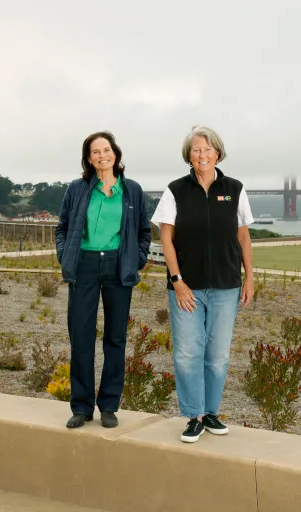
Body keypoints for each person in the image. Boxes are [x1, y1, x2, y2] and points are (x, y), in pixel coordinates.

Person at [151, 125, 254, 443]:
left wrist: (249, 277)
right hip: (187, 287)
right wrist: (177, 281)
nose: (202, 154)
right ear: (189, 156)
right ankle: (193, 415)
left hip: (226, 286)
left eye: (207, 149)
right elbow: (166, 237)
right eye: (196, 150)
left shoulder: (235, 188)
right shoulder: (175, 190)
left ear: (218, 153)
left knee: (218, 355)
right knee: (186, 353)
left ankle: (211, 412)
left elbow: (243, 236)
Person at [55, 131, 151, 429]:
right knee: (81, 337)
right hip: (83, 265)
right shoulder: (77, 189)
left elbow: (144, 232)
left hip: (117, 265)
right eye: (95, 152)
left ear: (115, 154)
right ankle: (81, 407)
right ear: (88, 158)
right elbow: (62, 228)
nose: (102, 155)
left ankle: (109, 405)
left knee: (115, 338)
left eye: (106, 149)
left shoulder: (132, 190)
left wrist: (136, 259)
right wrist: (65, 255)